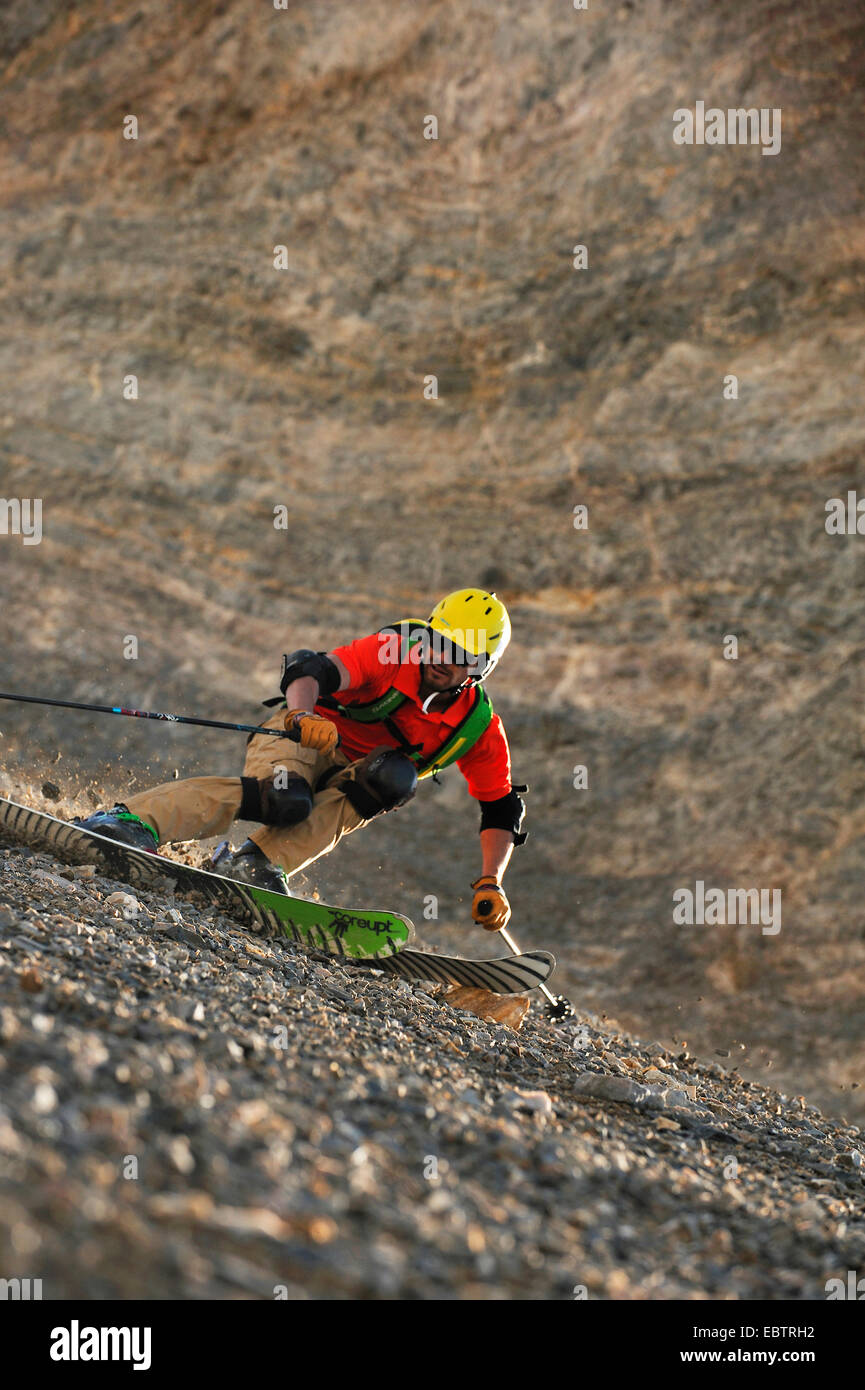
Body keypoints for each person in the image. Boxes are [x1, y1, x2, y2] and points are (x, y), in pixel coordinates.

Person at [77, 589, 527, 932]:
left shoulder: (478, 729)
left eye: (462, 654)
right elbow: (310, 671)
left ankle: (253, 866)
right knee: (284, 799)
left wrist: (491, 881)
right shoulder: (391, 653)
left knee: (394, 778)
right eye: (439, 641)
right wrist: (303, 714)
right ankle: (132, 820)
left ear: (482, 667)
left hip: (354, 772)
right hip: (302, 738)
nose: (443, 658)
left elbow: (500, 807)